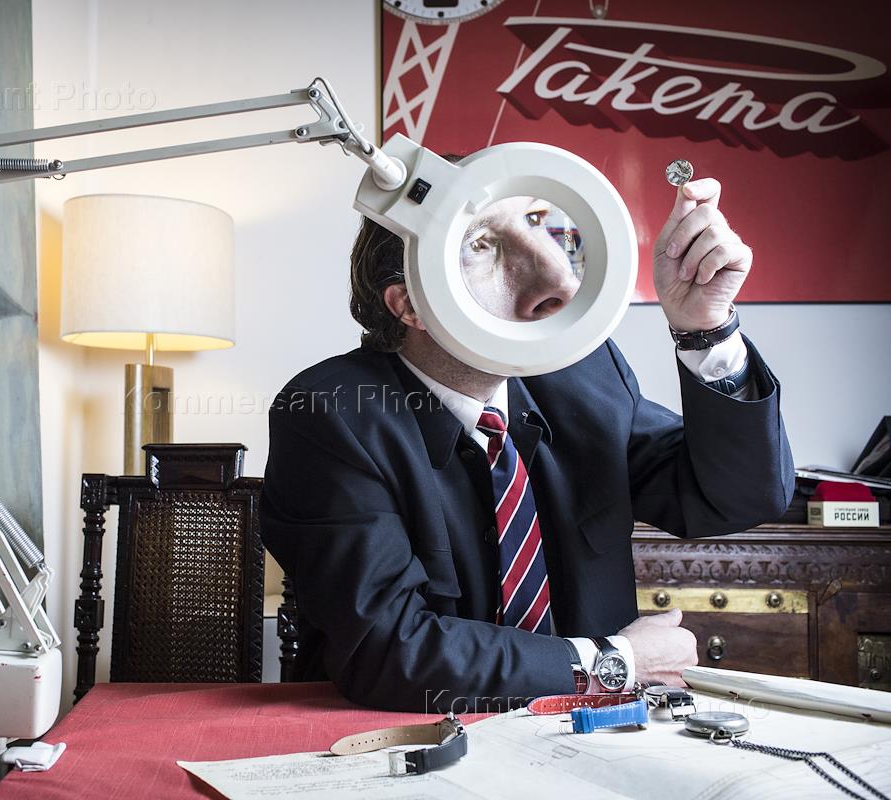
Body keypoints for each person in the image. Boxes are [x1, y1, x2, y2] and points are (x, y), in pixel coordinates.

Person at [260, 175, 795, 713]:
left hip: (586, 736)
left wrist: (706, 331)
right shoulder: (329, 413)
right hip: (401, 735)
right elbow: (389, 652)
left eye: (537, 222)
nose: (558, 280)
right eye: (480, 245)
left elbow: (739, 498)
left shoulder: (583, 374)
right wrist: (615, 663)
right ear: (411, 304)